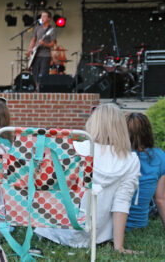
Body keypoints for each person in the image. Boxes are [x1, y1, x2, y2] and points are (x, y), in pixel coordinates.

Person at [35, 103, 140, 253]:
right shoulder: (131, 160)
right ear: (121, 128)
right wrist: (119, 246)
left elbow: (47, 185)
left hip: (56, 230)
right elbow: (121, 203)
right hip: (95, 235)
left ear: (93, 123)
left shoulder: (72, 148)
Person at [125, 112, 165, 229]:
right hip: (139, 224)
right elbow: (161, 199)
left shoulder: (117, 155)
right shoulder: (160, 156)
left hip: (114, 225)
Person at [26, 10, 56, 90]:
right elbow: (33, 40)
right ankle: (36, 87)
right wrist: (30, 50)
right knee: (34, 72)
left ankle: (42, 89)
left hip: (46, 55)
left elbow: (53, 43)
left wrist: (44, 44)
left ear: (49, 18)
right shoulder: (37, 28)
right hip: (36, 54)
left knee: (43, 73)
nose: (42, 18)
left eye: (44, 16)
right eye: (41, 16)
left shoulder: (51, 29)